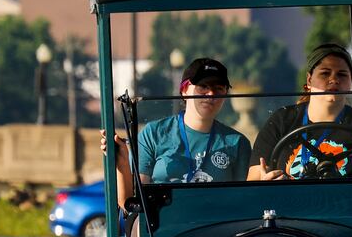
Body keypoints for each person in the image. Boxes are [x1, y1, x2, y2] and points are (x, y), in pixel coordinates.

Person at [106, 57, 252, 209]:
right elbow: (134, 204)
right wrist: (122, 163)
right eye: (202, 87)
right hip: (163, 227)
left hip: (215, 228)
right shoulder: (153, 134)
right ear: (183, 90)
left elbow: (242, 203)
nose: (211, 95)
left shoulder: (237, 142)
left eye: (219, 89)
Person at [250, 42, 352, 180]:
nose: (334, 79)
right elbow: (253, 182)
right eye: (325, 73)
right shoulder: (282, 120)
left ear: (350, 81)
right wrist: (266, 182)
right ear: (309, 80)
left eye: (342, 74)